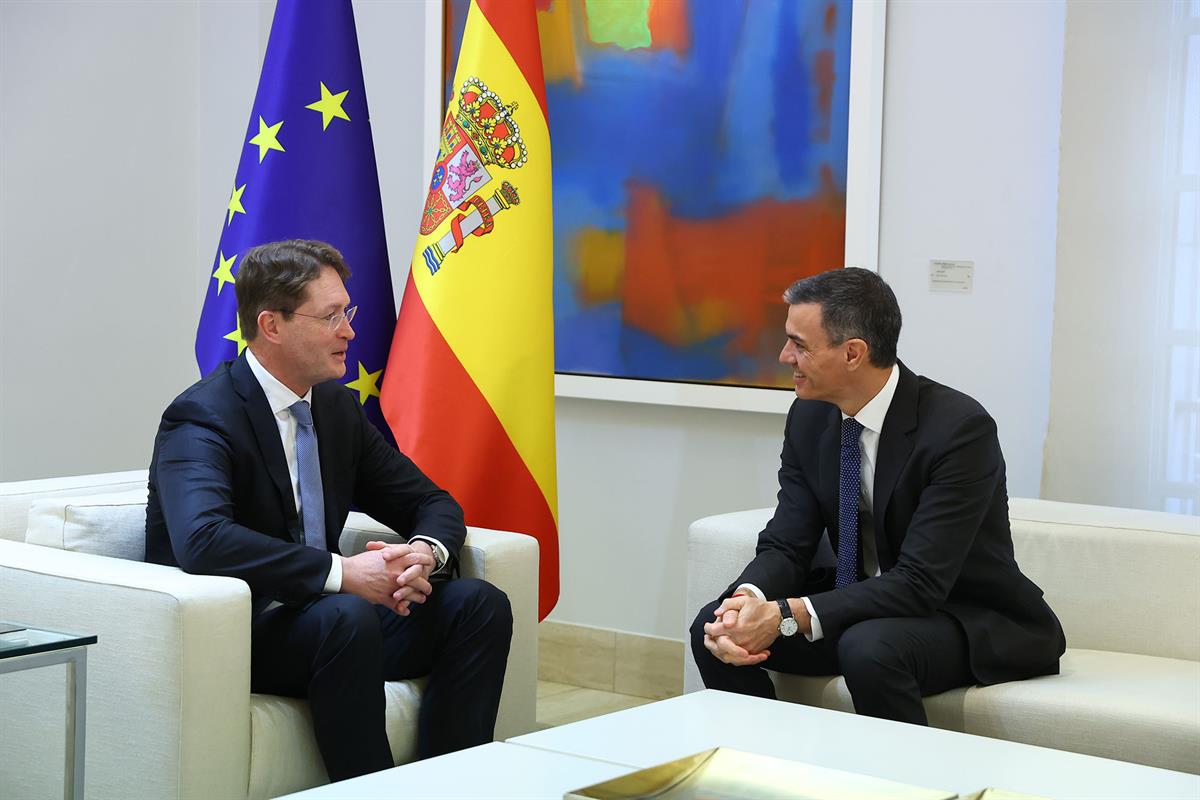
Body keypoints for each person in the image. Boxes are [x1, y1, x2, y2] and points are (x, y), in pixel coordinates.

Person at [145, 239, 512, 780]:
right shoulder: (203, 415)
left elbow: (429, 501)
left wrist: (423, 554)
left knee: (478, 604)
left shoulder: (335, 408)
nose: (350, 332)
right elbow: (203, 539)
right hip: (243, 630)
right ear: (272, 325)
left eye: (348, 312)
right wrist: (344, 573)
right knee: (345, 614)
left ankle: (449, 784)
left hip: (335, 625)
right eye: (331, 316)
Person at [690, 267, 1064, 725]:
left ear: (853, 353)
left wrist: (788, 612)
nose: (785, 356)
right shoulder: (809, 417)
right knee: (712, 627)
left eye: (799, 345)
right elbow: (788, 542)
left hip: (961, 614)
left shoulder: (958, 430)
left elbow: (921, 581)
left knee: (870, 648)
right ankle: (768, 760)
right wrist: (745, 603)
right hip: (862, 610)